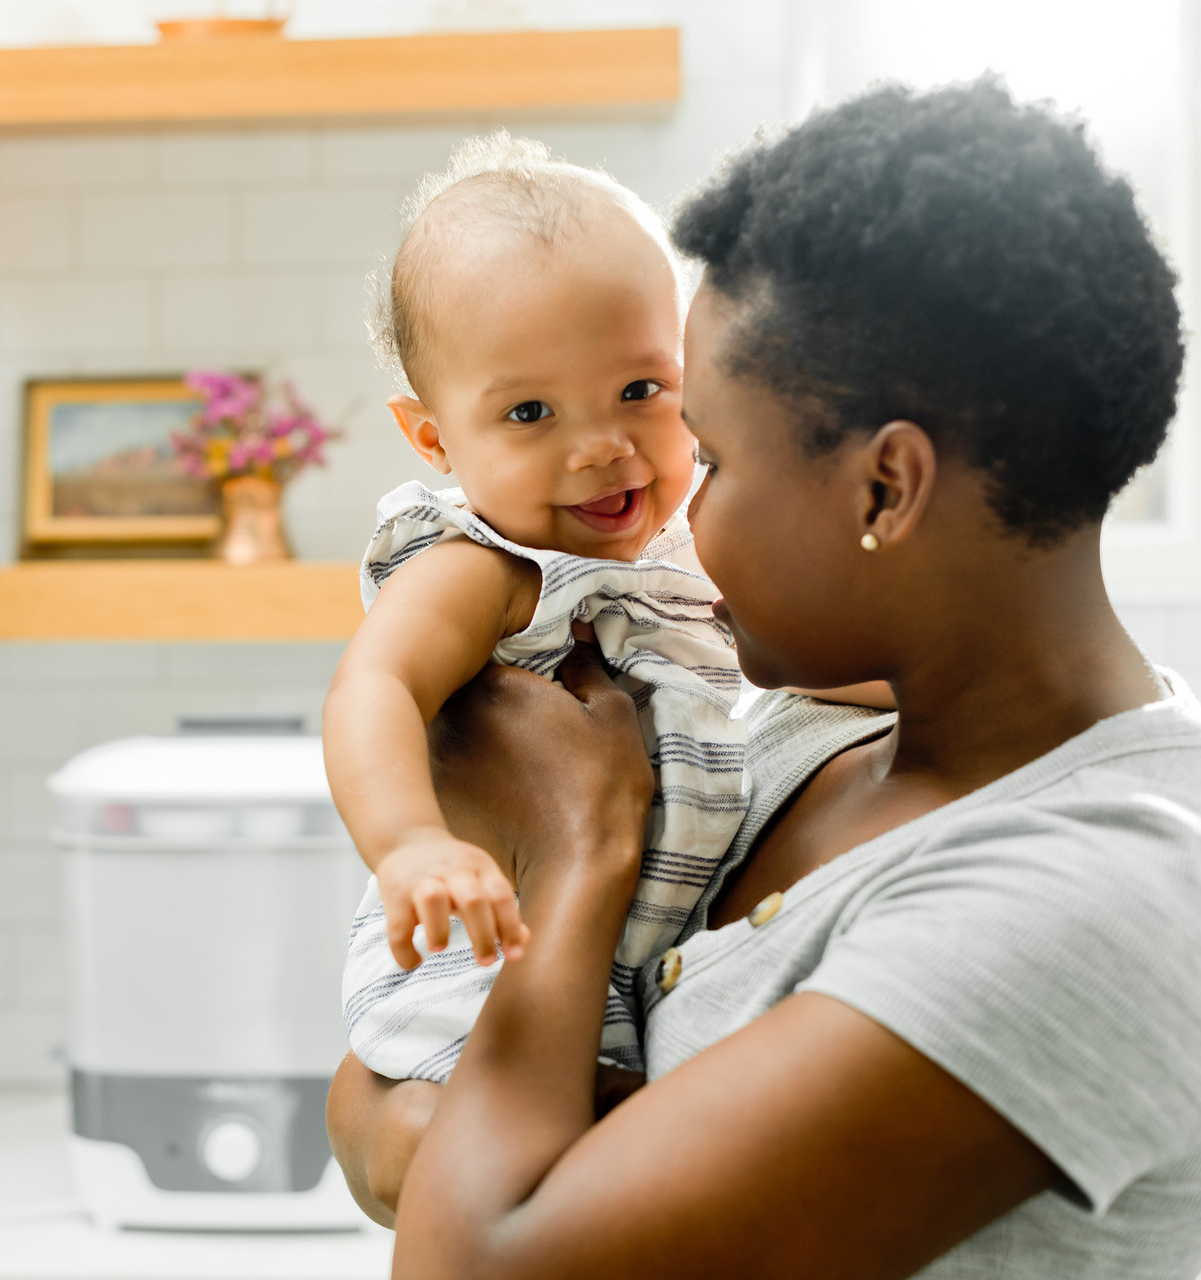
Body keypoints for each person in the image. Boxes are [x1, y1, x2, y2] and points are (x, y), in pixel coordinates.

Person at [327, 78, 1201, 1278]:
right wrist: (392, 1119)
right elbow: (373, 1119)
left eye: (701, 448)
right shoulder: (806, 733)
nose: (673, 510)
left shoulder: (1087, 902)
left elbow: (475, 1255)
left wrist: (574, 851)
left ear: (882, 487)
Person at [322, 134, 889, 1084]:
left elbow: (793, 656)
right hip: (482, 966)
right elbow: (373, 687)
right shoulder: (487, 565)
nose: (601, 446)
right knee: (488, 1152)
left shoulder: (683, 548)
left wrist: (915, 678)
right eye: (531, 413)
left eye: (639, 391)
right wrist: (411, 844)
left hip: (632, 965)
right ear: (433, 439)